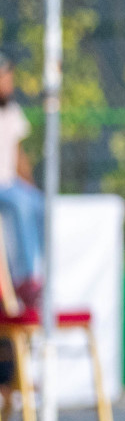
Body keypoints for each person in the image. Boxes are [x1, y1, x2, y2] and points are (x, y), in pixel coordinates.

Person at [0, 56, 43, 303]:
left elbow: (19, 154)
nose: (9, 84)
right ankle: (25, 277)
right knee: (20, 204)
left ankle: (38, 272)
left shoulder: (12, 111)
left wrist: (30, 185)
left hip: (10, 183)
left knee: (37, 204)